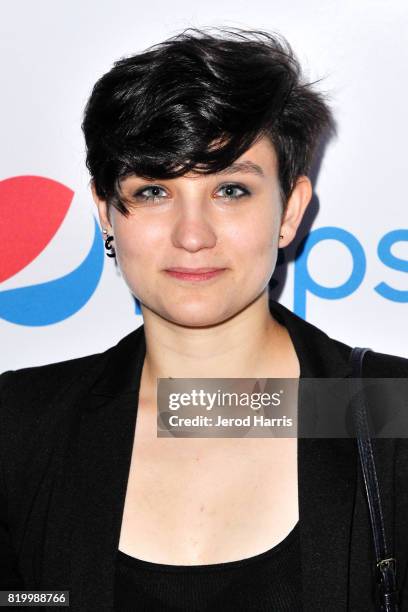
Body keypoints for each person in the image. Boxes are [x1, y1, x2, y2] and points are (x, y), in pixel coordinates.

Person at [1, 26, 407, 612]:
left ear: (290, 210)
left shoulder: (390, 413)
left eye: (231, 190)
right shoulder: (21, 428)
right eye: (153, 192)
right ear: (106, 213)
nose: (193, 236)